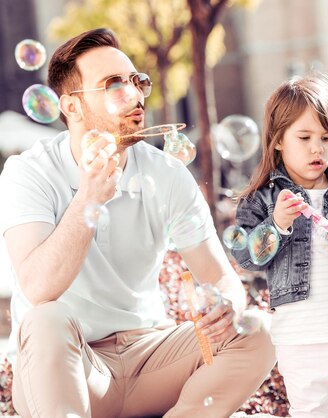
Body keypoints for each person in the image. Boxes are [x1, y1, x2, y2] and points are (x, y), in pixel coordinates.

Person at [0, 28, 275, 418]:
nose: (135, 93)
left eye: (136, 81)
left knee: (255, 331)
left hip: (150, 358)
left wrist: (228, 305)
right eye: (113, 84)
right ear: (72, 107)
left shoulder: (165, 173)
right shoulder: (29, 173)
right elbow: (38, 287)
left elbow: (220, 278)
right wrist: (88, 198)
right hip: (70, 367)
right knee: (46, 317)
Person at [232, 74, 328, 418]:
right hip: (300, 336)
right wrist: (276, 224)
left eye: (326, 138)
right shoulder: (262, 198)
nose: (317, 148)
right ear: (277, 141)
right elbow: (246, 257)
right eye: (303, 137)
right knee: (312, 411)